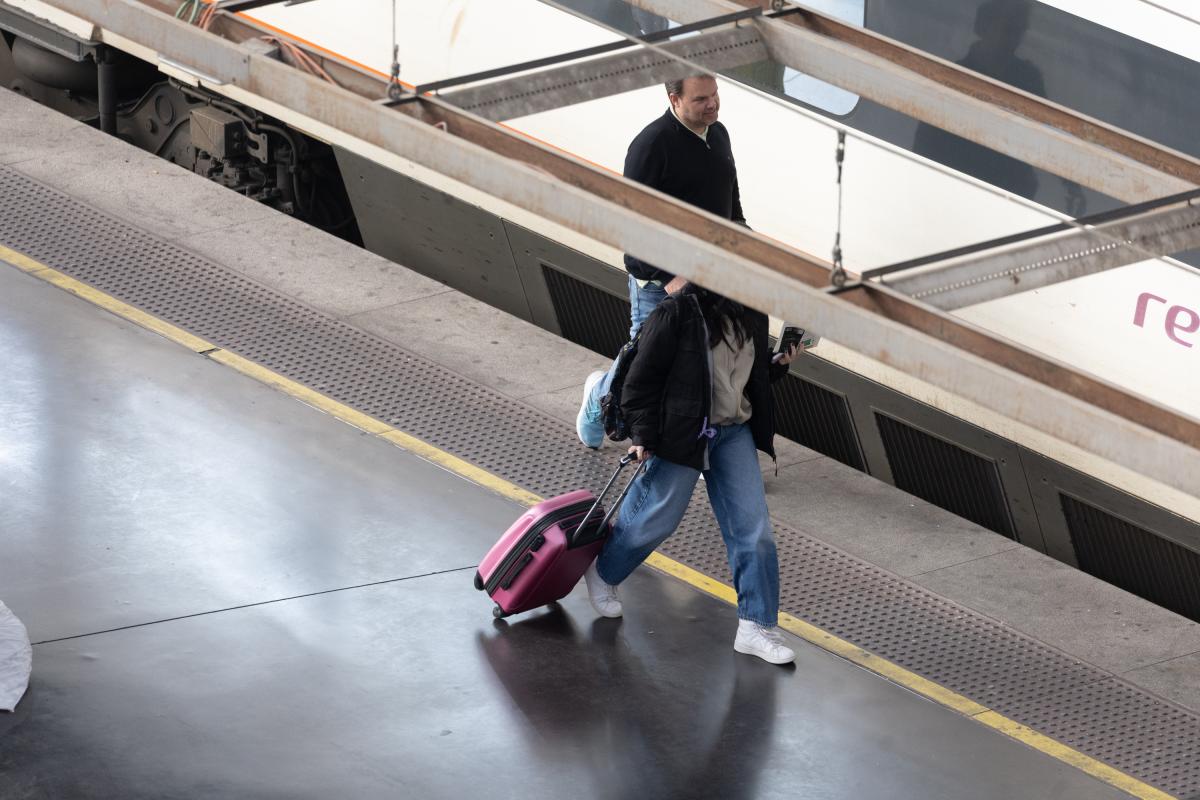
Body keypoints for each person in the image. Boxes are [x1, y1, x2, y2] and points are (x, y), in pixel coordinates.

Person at [580, 282, 801, 665]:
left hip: (733, 432)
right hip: (683, 431)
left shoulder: (750, 313)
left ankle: (757, 626)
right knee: (655, 519)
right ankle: (603, 572)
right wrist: (644, 436)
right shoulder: (676, 314)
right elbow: (639, 382)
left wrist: (775, 365)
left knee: (755, 531)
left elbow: (742, 376)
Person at [577, 73, 747, 448]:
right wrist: (668, 274)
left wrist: (741, 233)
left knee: (706, 362)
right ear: (674, 100)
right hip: (659, 285)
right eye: (702, 99)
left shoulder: (718, 134)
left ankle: (700, 441)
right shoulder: (651, 146)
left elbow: (729, 193)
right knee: (643, 364)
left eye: (716, 94)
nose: (713, 104)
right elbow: (629, 223)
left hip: (708, 277)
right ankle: (597, 398)